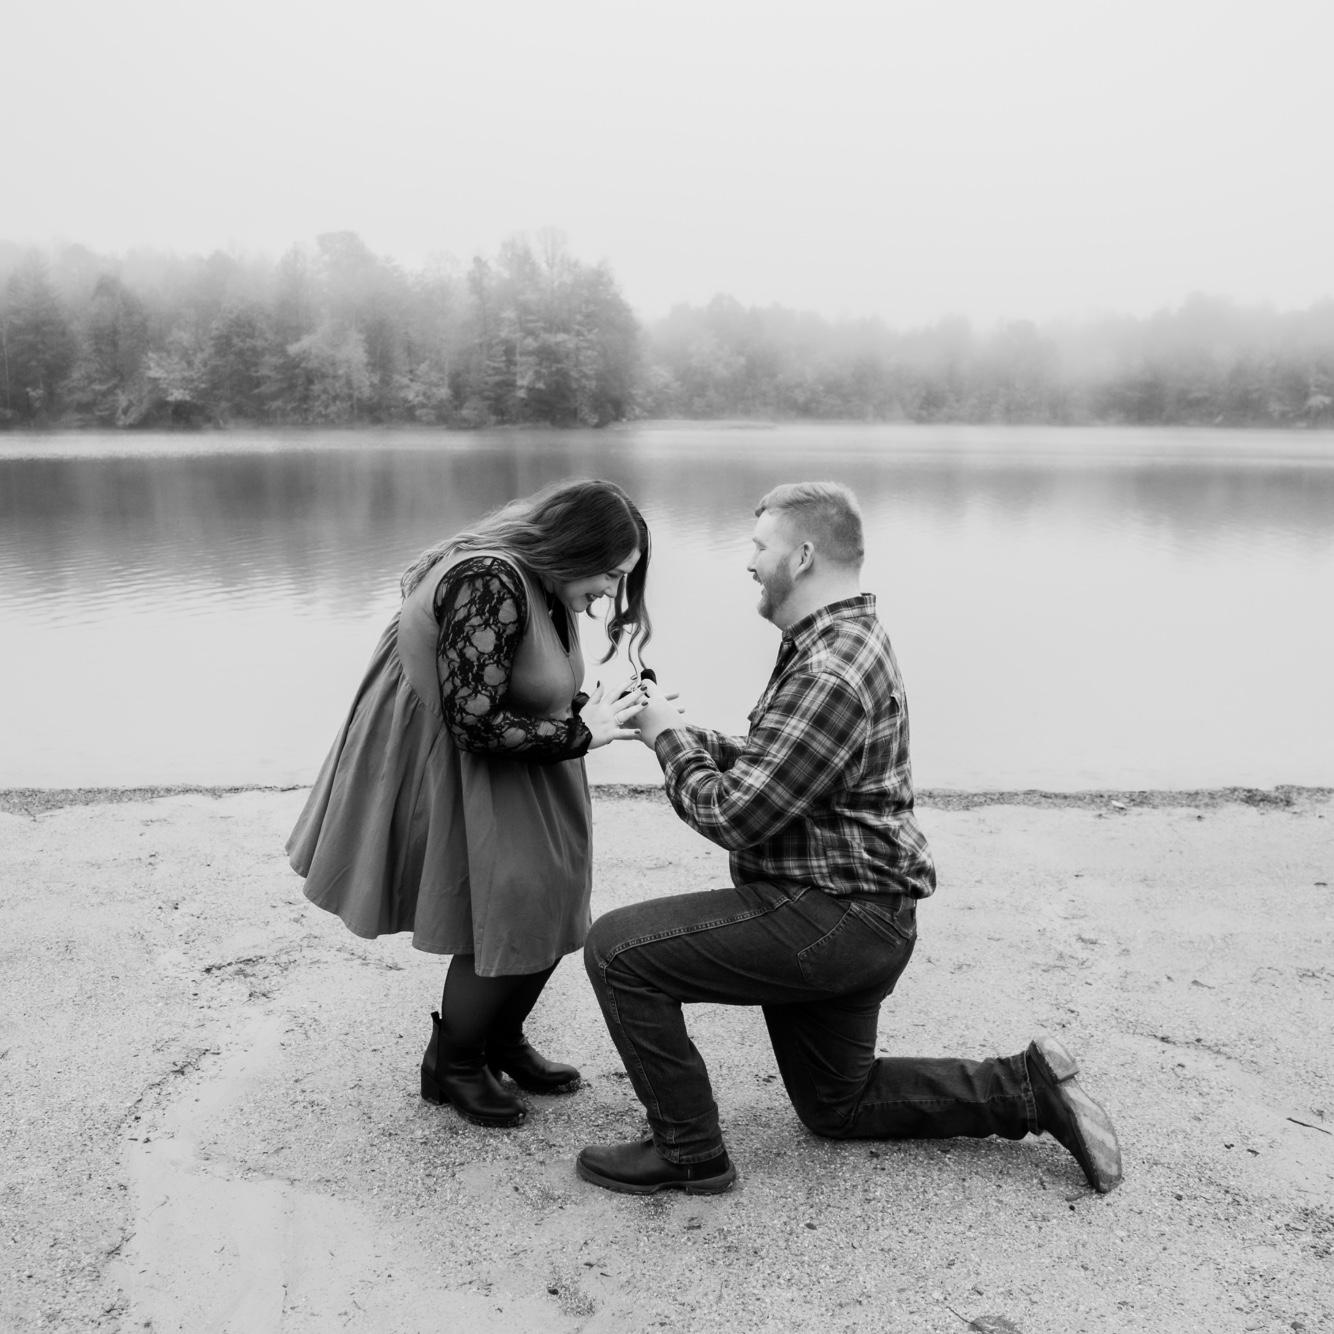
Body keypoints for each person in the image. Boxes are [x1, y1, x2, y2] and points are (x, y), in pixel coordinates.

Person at [577, 481, 1122, 1196]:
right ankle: (1025, 1089)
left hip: (834, 918)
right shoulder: (840, 640)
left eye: (759, 547)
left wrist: (667, 741)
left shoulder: (830, 668)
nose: (749, 562)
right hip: (860, 916)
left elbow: (735, 816)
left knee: (618, 951)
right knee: (839, 1104)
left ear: (803, 556)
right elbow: (787, 762)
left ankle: (688, 1152)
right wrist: (681, 731)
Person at [288, 478, 652, 1129]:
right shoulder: (489, 581)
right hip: (466, 763)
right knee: (512, 905)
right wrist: (582, 733)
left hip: (518, 764)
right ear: (573, 547)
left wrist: (595, 709)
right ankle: (453, 1064)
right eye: (610, 573)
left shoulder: (540, 584)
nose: (612, 591)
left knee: (554, 896)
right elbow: (475, 723)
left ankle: (499, 1041)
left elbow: (516, 681)